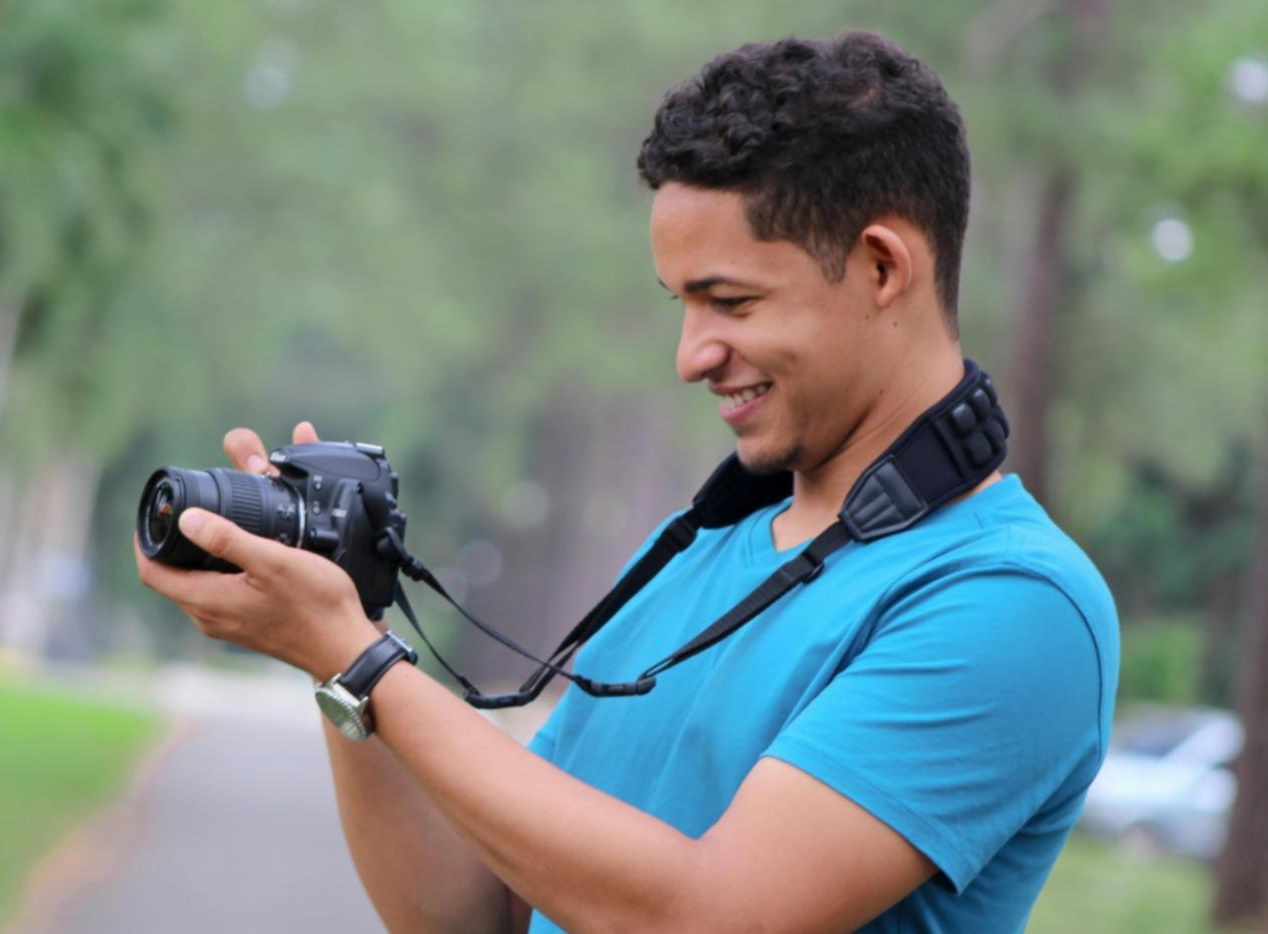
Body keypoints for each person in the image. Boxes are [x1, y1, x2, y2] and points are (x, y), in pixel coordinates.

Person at [137, 31, 1119, 933]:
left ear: (878, 266)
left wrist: (360, 664)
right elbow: (466, 916)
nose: (691, 355)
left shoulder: (1011, 604)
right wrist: (341, 638)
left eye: (727, 301)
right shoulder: (692, 548)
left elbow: (703, 919)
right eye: (679, 304)